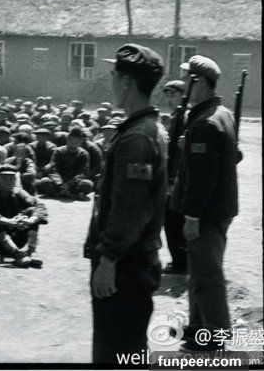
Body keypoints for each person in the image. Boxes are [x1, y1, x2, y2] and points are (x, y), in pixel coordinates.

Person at [84, 43, 168, 363]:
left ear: (127, 81)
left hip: (125, 267)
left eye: (114, 75)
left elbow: (132, 209)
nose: (111, 81)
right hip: (131, 261)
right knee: (127, 350)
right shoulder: (144, 129)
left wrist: (108, 260)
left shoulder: (137, 137)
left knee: (116, 353)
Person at [169, 55, 238, 352]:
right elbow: (231, 156)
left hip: (207, 212)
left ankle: (217, 337)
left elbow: (202, 177)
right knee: (198, 270)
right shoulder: (221, 114)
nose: (183, 84)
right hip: (217, 208)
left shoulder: (205, 122)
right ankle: (200, 327)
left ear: (197, 83)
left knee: (208, 276)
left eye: (187, 79)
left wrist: (192, 216)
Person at [0, 164, 48, 268]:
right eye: (4, 178)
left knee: (32, 211)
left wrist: (30, 220)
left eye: (11, 178)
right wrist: (7, 221)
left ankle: (30, 251)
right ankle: (17, 253)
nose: (8, 181)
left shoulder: (18, 191)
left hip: (15, 234)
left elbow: (39, 205)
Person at [162, 78, 188, 275]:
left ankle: (180, 263)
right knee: (171, 221)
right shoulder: (175, 117)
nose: (170, 99)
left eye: (174, 95)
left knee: (174, 220)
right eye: (168, 95)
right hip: (173, 176)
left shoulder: (186, 117)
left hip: (180, 178)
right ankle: (179, 261)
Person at [35, 126, 94, 200]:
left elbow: (83, 172)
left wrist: (69, 184)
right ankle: (71, 194)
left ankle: (62, 193)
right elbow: (53, 169)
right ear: (67, 139)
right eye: (72, 139)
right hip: (59, 182)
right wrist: (60, 184)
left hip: (75, 182)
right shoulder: (58, 151)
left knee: (88, 184)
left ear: (80, 141)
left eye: (77, 140)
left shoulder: (84, 153)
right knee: (44, 181)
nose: (74, 142)